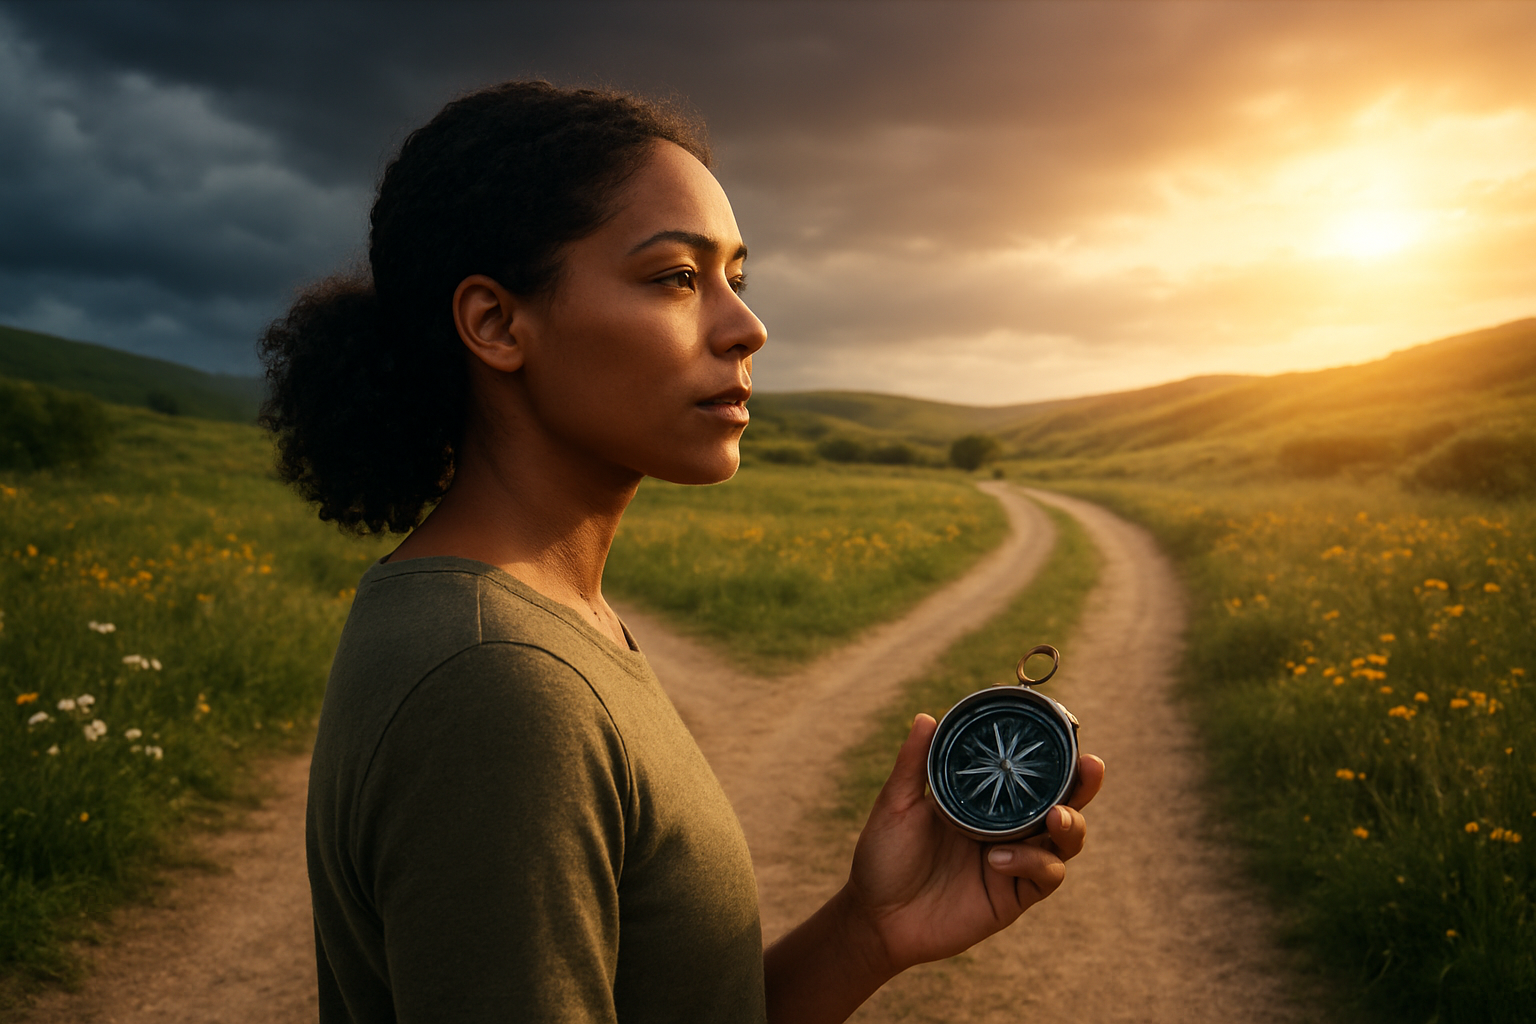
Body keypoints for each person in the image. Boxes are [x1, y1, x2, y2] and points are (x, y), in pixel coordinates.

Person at [261, 80, 1104, 1024]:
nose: (747, 327)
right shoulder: (498, 677)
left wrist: (870, 930)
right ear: (497, 324)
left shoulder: (534, 626)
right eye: (676, 277)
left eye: (736, 277)